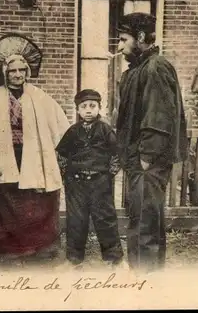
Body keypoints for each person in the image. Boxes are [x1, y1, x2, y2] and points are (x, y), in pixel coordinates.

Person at [0, 34, 70, 264]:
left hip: (33, 156)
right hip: (5, 155)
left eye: (22, 70)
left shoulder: (39, 97)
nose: (18, 75)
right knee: (9, 200)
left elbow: (60, 125)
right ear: (5, 73)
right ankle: (11, 248)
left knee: (33, 200)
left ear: (27, 72)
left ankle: (38, 247)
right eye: (13, 71)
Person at [115, 12, 188, 272]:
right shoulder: (139, 69)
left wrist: (145, 158)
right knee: (142, 218)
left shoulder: (156, 67)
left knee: (146, 222)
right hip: (139, 159)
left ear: (142, 38)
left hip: (148, 160)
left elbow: (158, 118)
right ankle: (143, 273)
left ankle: (145, 280)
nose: (120, 46)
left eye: (124, 39)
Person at [56, 89, 124, 269]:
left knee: (105, 218)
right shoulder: (72, 131)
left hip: (100, 182)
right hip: (76, 183)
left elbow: (116, 154)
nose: (88, 110)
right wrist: (67, 174)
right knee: (76, 220)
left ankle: (113, 258)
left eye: (92, 106)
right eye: (83, 106)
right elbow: (62, 154)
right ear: (77, 110)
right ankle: (74, 258)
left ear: (100, 108)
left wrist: (108, 174)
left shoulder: (105, 129)